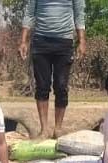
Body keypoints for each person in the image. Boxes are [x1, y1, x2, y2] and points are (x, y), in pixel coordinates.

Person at [19, 0, 86, 138]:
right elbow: (29, 13)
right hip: (41, 41)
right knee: (42, 86)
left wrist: (82, 41)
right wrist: (23, 41)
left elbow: (79, 14)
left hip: (64, 41)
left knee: (61, 87)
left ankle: (58, 129)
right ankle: (44, 129)